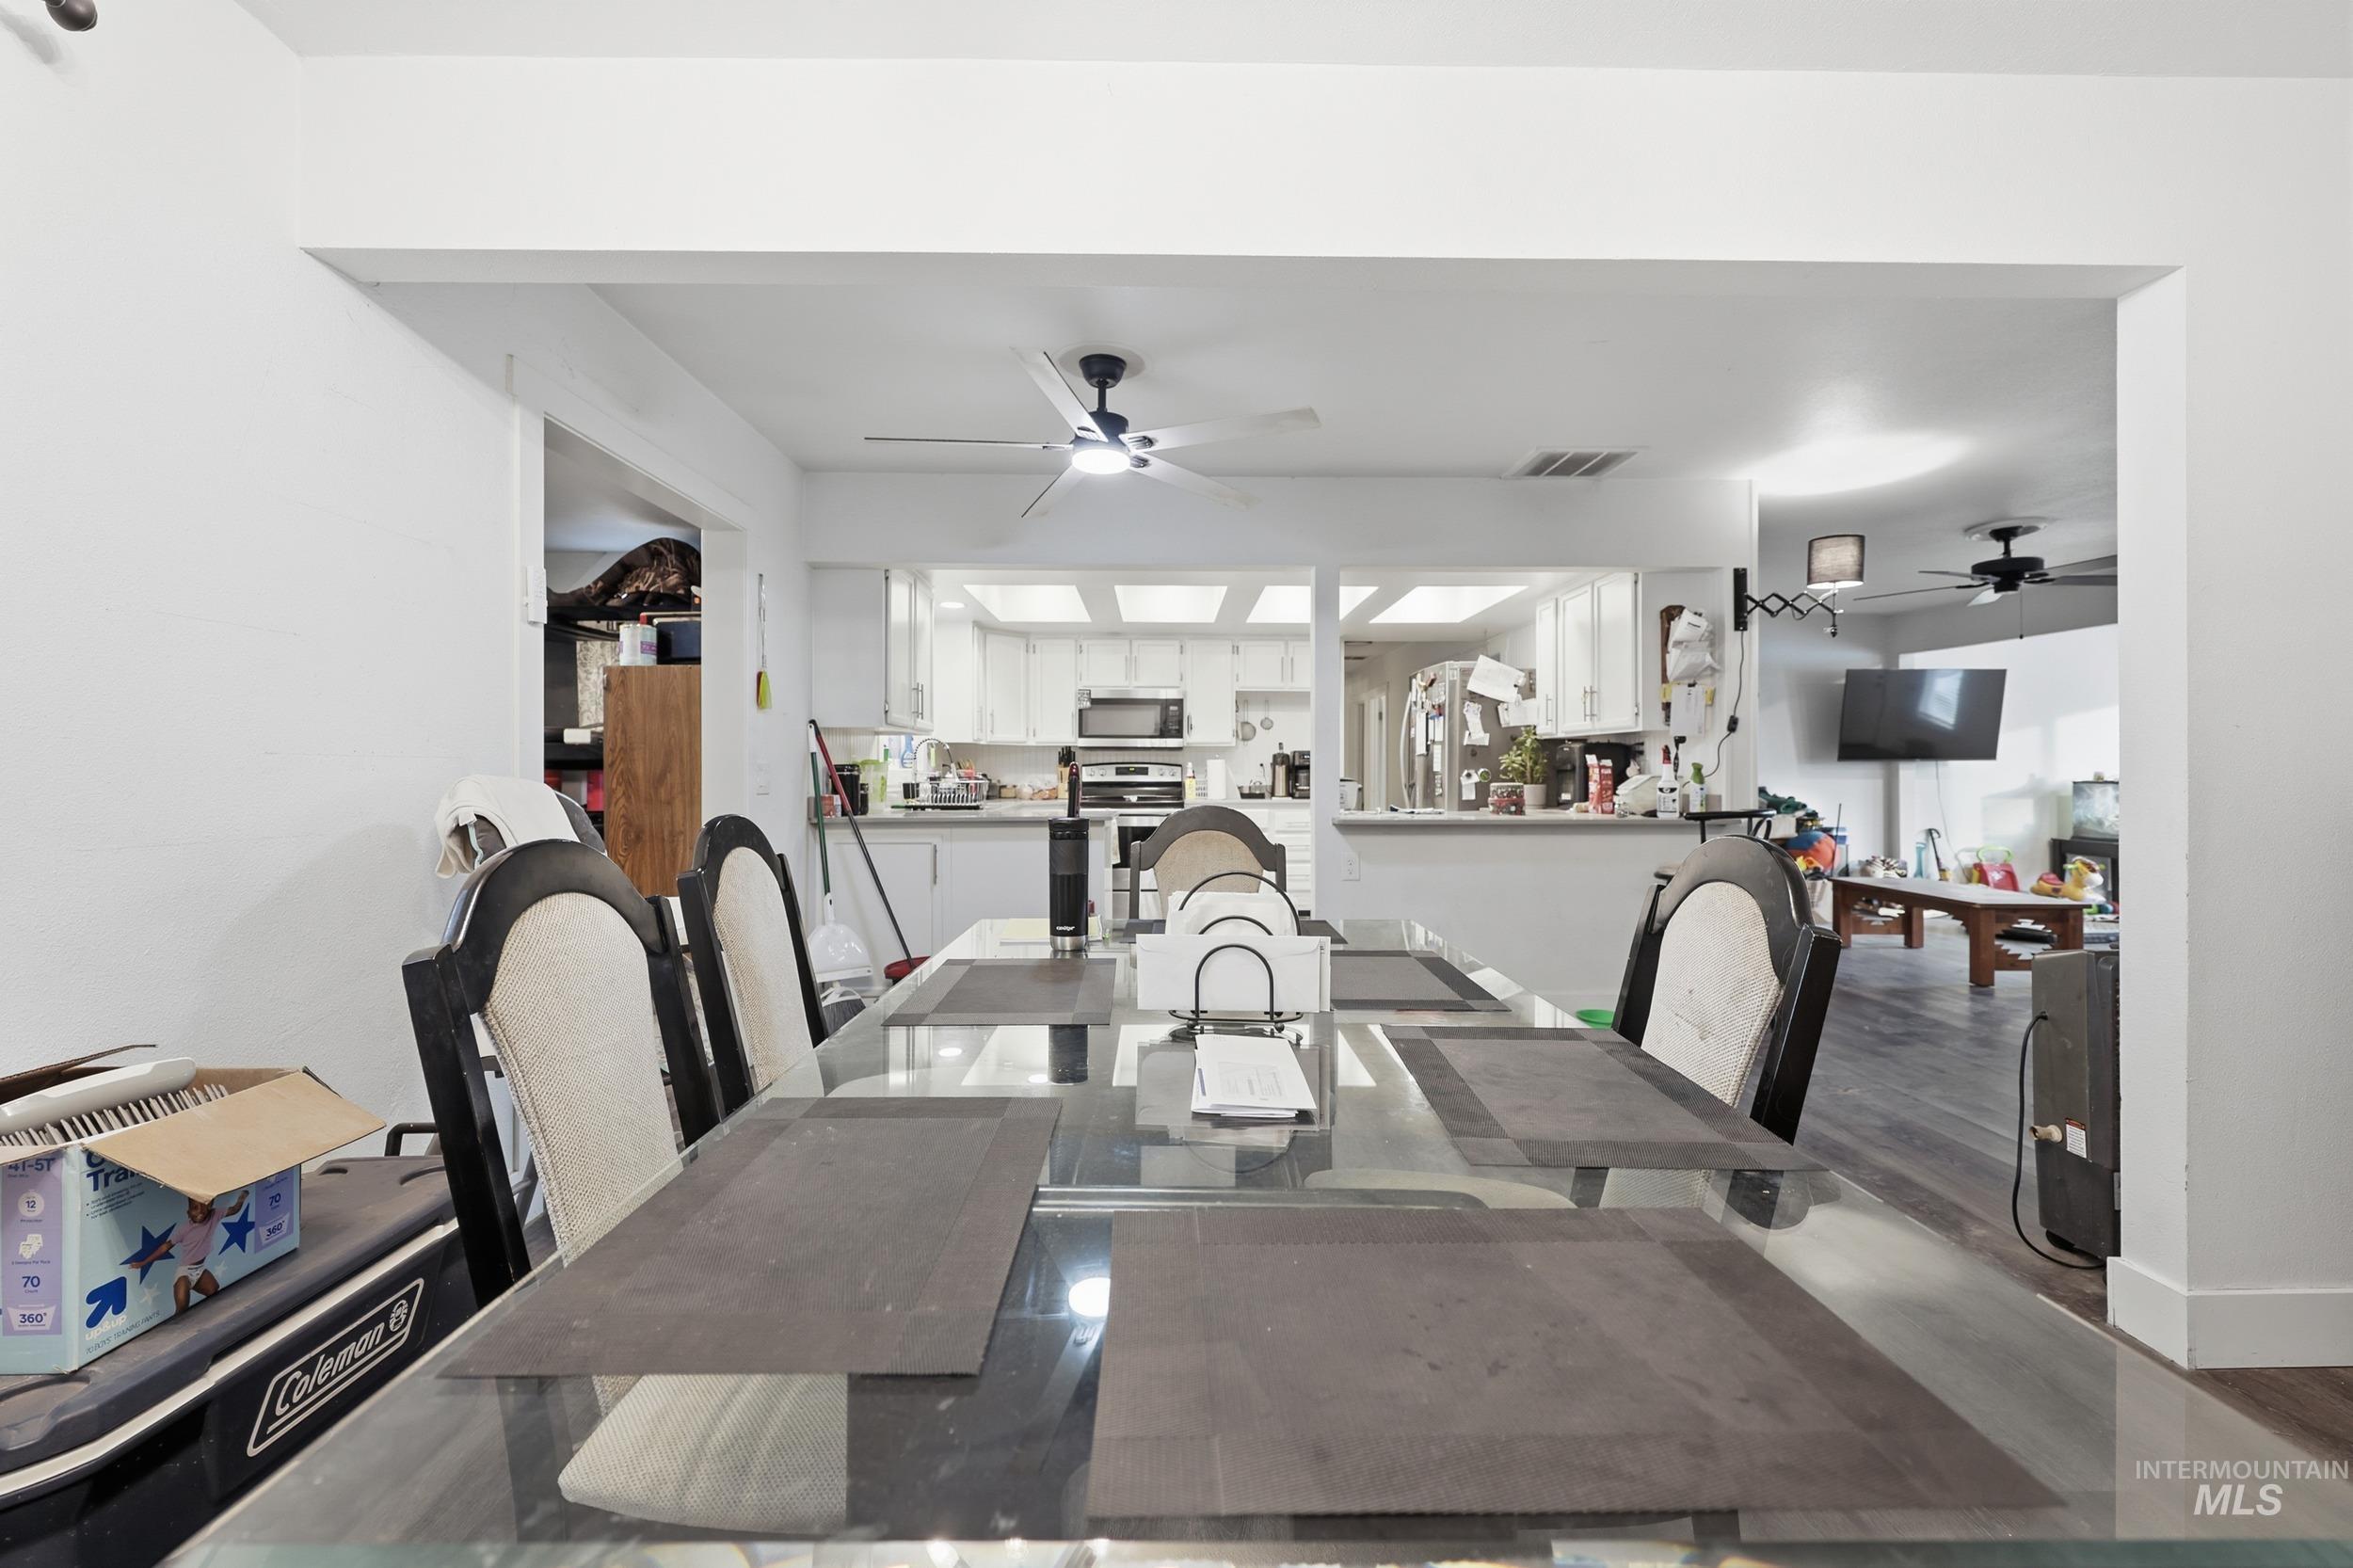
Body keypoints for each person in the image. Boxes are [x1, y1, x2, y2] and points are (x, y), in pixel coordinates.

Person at [125, 1189, 250, 1313]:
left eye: (203, 1206)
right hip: (185, 1273)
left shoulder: (214, 1214)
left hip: (200, 1270)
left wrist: (242, 1197)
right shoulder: (184, 1230)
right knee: (182, 1308)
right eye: (195, 1208)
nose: (200, 1211)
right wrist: (143, 1262)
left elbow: (234, 1210)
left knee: (214, 1289)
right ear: (188, 1213)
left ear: (210, 1206)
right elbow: (165, 1247)